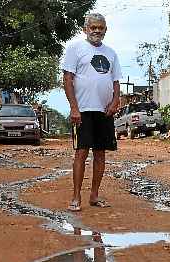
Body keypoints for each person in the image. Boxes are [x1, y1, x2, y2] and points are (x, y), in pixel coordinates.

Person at [62, 13, 122, 212]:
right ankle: (76, 196)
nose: (97, 30)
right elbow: (68, 79)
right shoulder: (75, 49)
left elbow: (115, 82)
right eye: (93, 27)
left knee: (100, 154)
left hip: (104, 112)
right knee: (81, 153)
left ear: (106, 30)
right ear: (85, 29)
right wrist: (74, 107)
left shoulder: (112, 53)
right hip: (83, 111)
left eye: (101, 27)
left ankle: (94, 195)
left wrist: (115, 102)